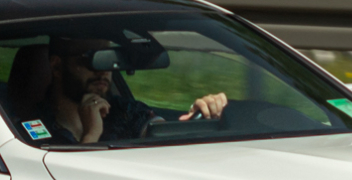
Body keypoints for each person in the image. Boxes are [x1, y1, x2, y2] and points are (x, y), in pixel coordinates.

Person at [43, 35, 227, 144]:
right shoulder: (32, 127)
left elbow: (159, 133)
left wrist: (193, 121)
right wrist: (91, 135)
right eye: (92, 59)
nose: (103, 70)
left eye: (109, 59)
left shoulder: (124, 111)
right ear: (57, 67)